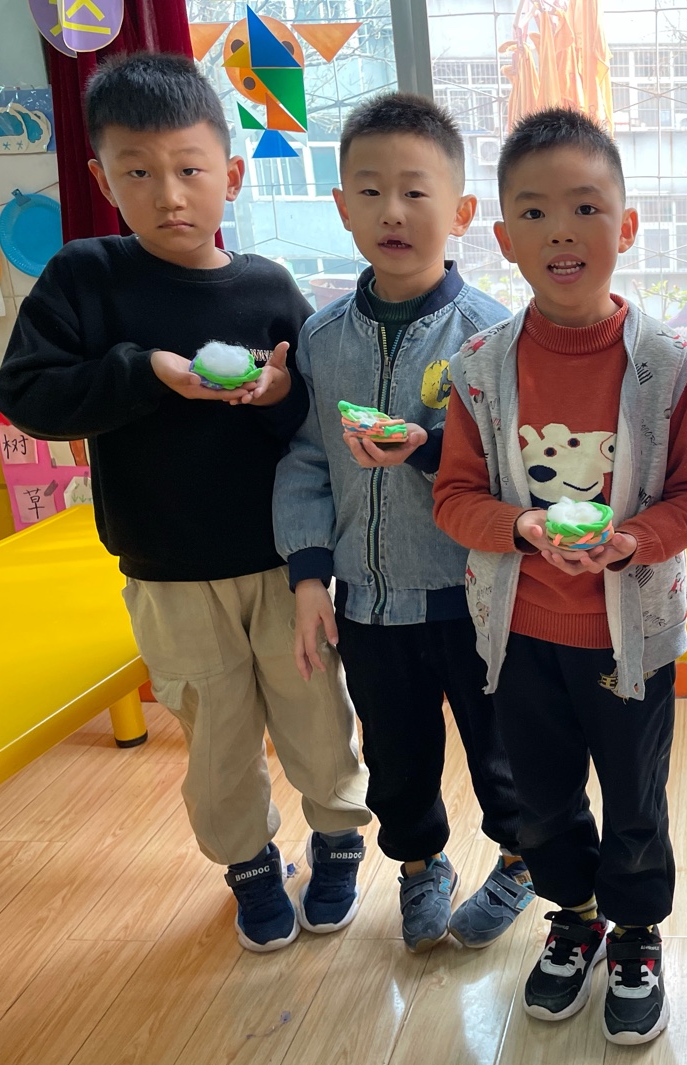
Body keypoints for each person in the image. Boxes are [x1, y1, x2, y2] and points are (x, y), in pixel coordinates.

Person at [0, 52, 371, 952]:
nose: (169, 195)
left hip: (281, 564)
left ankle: (337, 839)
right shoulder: (86, 277)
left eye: (190, 170)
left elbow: (313, 425)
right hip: (167, 570)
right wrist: (144, 372)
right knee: (216, 734)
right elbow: (26, 393)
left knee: (319, 717)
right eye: (138, 173)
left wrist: (279, 395)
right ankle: (248, 865)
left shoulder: (266, 287)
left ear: (230, 176)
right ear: (101, 180)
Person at [433, 107, 687, 1046]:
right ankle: (576, 918)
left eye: (586, 207)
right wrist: (520, 527)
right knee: (542, 798)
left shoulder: (665, 366)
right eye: (535, 212)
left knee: (635, 801)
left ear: (625, 227)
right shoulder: (480, 369)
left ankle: (635, 933)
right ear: (503, 237)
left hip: (629, 641)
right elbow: (453, 498)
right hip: (518, 635)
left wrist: (631, 541)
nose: (562, 231)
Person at [273, 92, 536, 955]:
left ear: (460, 211)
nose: (392, 211)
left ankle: (523, 859)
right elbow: (307, 459)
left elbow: (516, 475)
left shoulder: (493, 337)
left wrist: (426, 449)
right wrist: (309, 573)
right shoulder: (322, 338)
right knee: (395, 755)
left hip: (473, 596)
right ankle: (421, 867)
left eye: (416, 191)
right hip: (369, 602)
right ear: (342, 206)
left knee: (502, 749)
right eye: (370, 191)